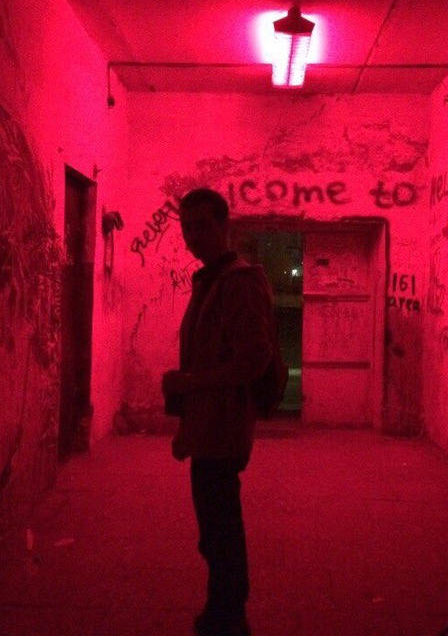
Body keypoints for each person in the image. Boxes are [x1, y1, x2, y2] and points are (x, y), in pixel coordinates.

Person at [162, 188, 274, 636]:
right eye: (187, 227)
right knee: (214, 526)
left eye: (202, 226)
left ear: (224, 226)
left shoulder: (238, 282)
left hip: (223, 428)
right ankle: (223, 609)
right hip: (208, 426)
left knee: (220, 528)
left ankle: (228, 616)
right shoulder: (211, 279)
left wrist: (190, 383)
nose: (193, 236)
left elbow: (254, 359)